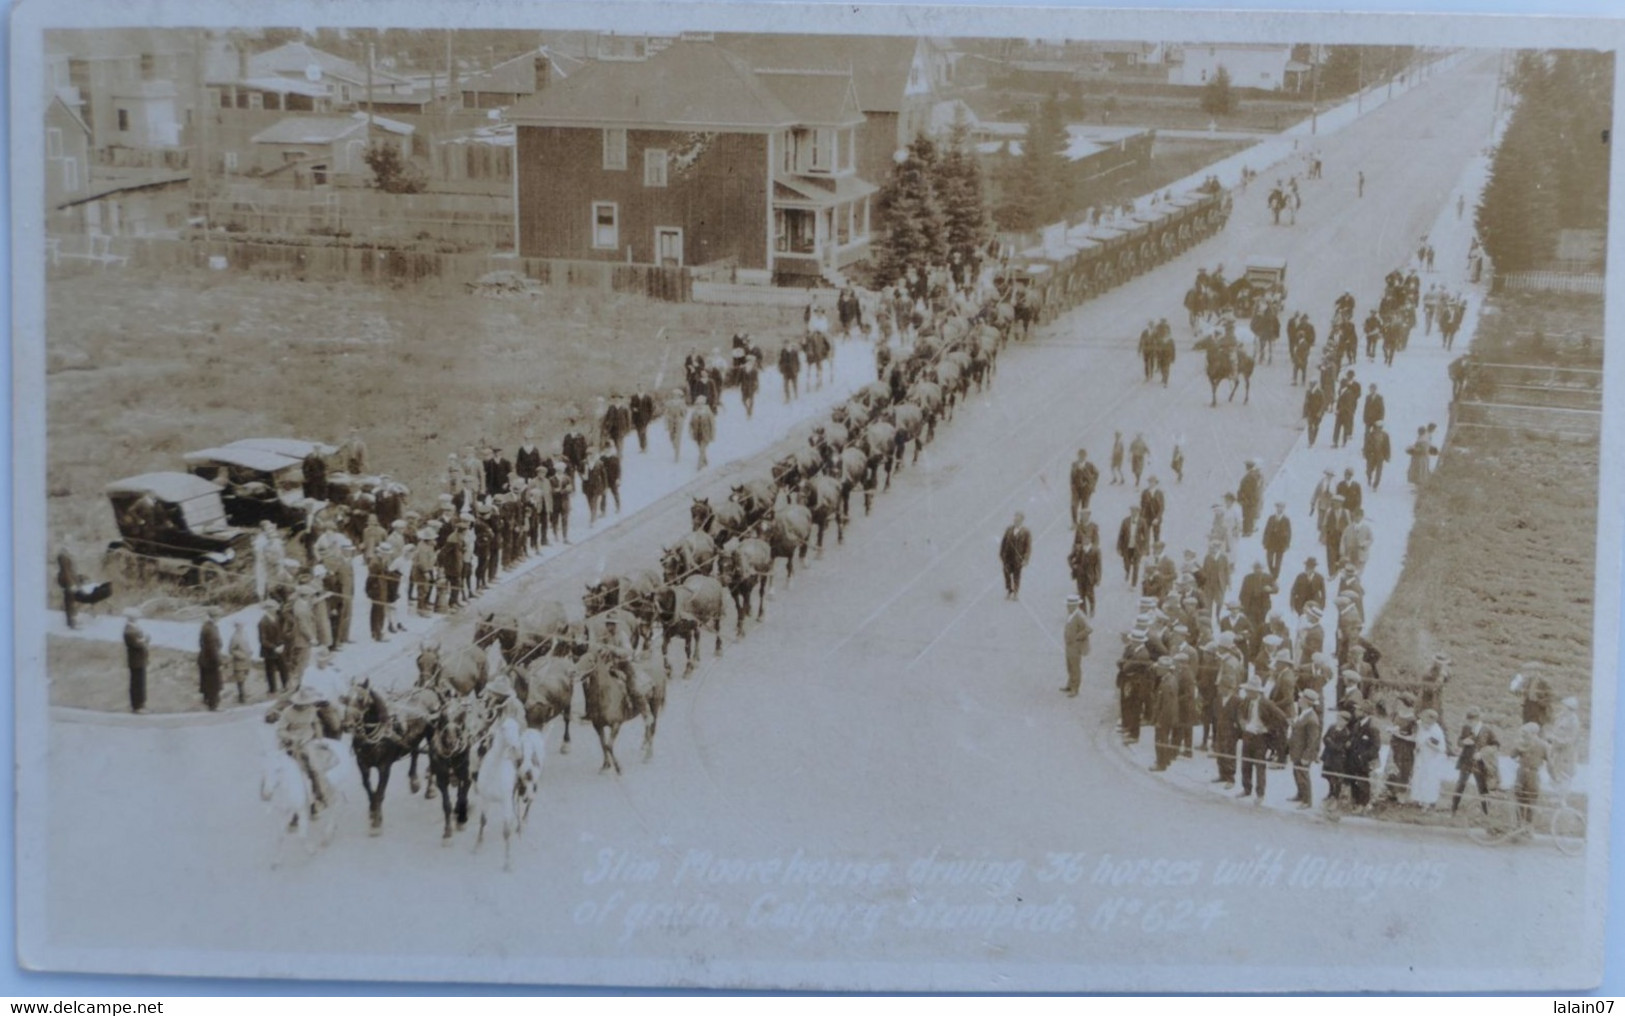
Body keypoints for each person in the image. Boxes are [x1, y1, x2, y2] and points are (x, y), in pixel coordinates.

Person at [1236, 678, 1281, 803]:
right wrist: (1243, 723)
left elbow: (1281, 718)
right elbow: (1240, 712)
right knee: (1245, 764)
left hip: (1260, 738)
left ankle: (1260, 794)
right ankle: (1246, 789)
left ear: (1256, 692)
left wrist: (1267, 728)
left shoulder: (1266, 703)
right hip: (1247, 735)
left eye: (1249, 691)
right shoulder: (1246, 701)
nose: (1246, 692)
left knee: (1259, 766)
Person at [1451, 707, 1499, 816]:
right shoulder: (1465, 728)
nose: (1469, 724)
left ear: (1477, 720)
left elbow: (1496, 745)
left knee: (1482, 787)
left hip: (1480, 763)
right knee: (1460, 785)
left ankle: (1486, 813)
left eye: (1472, 721)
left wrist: (1482, 754)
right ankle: (1453, 810)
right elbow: (1459, 741)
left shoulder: (1487, 730)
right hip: (1466, 761)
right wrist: (1463, 742)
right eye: (1468, 721)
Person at [1510, 722, 1550, 834]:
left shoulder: (1523, 742)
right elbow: (1550, 762)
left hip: (1521, 774)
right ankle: (1528, 828)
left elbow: (1512, 755)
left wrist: (1517, 743)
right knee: (1532, 801)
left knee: (1519, 799)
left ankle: (1519, 825)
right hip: (1533, 775)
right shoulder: (1543, 744)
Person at [1287, 689, 1323, 808]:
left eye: (1301, 698)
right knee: (1297, 774)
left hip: (1303, 753)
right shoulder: (1304, 713)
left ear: (1306, 702)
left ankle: (1307, 801)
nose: (1298, 700)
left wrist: (1306, 756)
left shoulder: (1312, 719)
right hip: (1297, 751)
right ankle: (1300, 794)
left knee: (1303, 776)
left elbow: (1313, 741)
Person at [1411, 708, 1448, 809]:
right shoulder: (1421, 726)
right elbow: (1418, 738)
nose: (1422, 722)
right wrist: (1417, 747)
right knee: (1419, 777)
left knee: (1429, 780)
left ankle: (1427, 802)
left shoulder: (1436, 731)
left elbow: (1441, 749)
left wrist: (1430, 744)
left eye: (1425, 721)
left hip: (1432, 760)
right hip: (1421, 757)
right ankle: (1418, 800)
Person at [1546, 697, 1582, 791]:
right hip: (1556, 749)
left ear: (1570, 708)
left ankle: (1561, 797)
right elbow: (1555, 728)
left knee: (1564, 774)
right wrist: (1551, 737)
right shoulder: (1561, 716)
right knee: (1553, 769)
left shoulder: (1574, 721)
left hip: (1566, 751)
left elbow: (1571, 739)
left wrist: (1555, 739)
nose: (1562, 707)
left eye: (1564, 706)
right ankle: (1554, 792)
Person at [1061, 596, 1092, 697]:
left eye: (1070, 605)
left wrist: (1077, 637)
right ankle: (1070, 684)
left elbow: (1089, 629)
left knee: (1075, 667)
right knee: (1069, 665)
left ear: (1075, 605)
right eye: (1068, 605)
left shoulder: (1079, 616)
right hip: (1069, 645)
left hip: (1075, 645)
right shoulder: (1071, 614)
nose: (1068, 607)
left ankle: (1075, 688)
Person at [999, 512, 1032, 600]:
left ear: (1021, 521)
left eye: (1018, 520)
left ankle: (1015, 592)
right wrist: (1001, 554)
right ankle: (1009, 590)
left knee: (1017, 575)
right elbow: (1003, 542)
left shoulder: (1025, 532)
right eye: (1015, 519)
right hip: (1008, 557)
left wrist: (1026, 559)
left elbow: (1028, 547)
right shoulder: (1009, 530)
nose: (1015, 521)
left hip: (1018, 558)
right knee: (1006, 572)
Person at [123, 607, 150, 714]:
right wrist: (145, 640)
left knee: (140, 682)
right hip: (136, 660)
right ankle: (137, 706)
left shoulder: (133, 627)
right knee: (136, 683)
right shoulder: (129, 630)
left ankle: (141, 704)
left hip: (139, 660)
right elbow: (136, 644)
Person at [1067, 535, 1102, 616]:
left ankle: (1092, 608)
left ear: (1090, 542)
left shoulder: (1096, 551)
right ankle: (1084, 612)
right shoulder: (1079, 549)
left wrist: (1098, 578)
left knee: (1090, 594)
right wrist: (1073, 566)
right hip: (1080, 576)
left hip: (1090, 577)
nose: (1084, 546)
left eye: (1086, 544)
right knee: (1081, 594)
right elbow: (1069, 558)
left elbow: (1098, 566)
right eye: (1083, 544)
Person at [1512, 661, 1553, 728]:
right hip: (1528, 705)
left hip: (1538, 707)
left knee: (1537, 725)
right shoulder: (1527, 682)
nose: (1528, 673)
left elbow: (1550, 696)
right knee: (1527, 722)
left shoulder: (1543, 682)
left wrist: (1542, 702)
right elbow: (1518, 692)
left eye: (1530, 671)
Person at [198, 607, 224, 712]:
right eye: (218, 616)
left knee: (208, 682)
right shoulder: (210, 629)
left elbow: (202, 643)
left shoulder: (207, 626)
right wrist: (218, 662)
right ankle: (213, 705)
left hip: (205, 659)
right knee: (214, 683)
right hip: (210, 660)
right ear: (214, 616)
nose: (219, 618)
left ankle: (208, 701)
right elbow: (212, 648)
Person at [1117, 505, 1150, 586]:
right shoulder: (1125, 521)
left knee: (1136, 565)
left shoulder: (1142, 521)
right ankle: (1127, 572)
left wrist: (1145, 548)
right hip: (1127, 546)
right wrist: (1118, 547)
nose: (1134, 513)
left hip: (1137, 547)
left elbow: (1146, 536)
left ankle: (1133, 584)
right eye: (1132, 511)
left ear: (1138, 512)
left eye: (1135, 511)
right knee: (1126, 563)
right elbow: (1121, 535)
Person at [1262, 501, 1292, 579]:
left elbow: (1289, 533)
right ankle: (1272, 572)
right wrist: (1264, 541)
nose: (1280, 509)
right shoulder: (1271, 518)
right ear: (1276, 508)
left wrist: (1287, 544)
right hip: (1271, 542)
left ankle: (1275, 577)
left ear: (1284, 508)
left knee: (1278, 563)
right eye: (1278, 507)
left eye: (1282, 507)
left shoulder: (1286, 520)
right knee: (1269, 560)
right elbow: (1266, 530)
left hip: (1280, 543)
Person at [1069, 449, 1098, 526]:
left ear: (1085, 456)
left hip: (1086, 489)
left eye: (1083, 456)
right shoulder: (1074, 464)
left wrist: (1093, 485)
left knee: (1085, 507)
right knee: (1074, 505)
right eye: (1080, 455)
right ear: (1078, 456)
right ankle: (1074, 522)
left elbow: (1096, 474)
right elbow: (1071, 476)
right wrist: (1072, 486)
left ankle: (1083, 523)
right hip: (1076, 489)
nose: (1081, 457)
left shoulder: (1090, 465)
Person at [1236, 459, 1265, 537]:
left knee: (1248, 517)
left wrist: (1244, 500)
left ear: (1248, 467)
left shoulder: (1250, 476)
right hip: (1248, 501)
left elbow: (1250, 491)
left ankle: (1247, 532)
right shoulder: (1252, 476)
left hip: (1248, 502)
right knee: (1247, 517)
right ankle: (1247, 532)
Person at [228, 619, 252, 705]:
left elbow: (247, 646)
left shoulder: (244, 635)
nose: (241, 627)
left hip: (246, 661)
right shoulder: (234, 637)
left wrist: (250, 651)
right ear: (236, 627)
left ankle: (245, 694)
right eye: (239, 626)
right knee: (240, 680)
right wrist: (240, 655)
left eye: (241, 626)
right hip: (239, 662)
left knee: (245, 678)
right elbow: (231, 650)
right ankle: (241, 697)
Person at [689, 396, 716, 471]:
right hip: (697, 434)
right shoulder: (694, 413)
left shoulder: (708, 412)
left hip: (706, 434)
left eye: (701, 403)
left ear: (704, 404)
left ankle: (699, 465)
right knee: (700, 449)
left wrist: (712, 435)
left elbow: (712, 425)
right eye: (698, 404)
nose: (699, 405)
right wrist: (690, 432)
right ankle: (705, 460)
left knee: (702, 449)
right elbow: (690, 423)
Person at [57, 547, 81, 630]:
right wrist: (71, 583)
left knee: (69, 601)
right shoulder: (64, 558)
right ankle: (72, 623)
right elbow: (66, 572)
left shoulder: (64, 557)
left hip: (67, 581)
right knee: (70, 602)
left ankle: (70, 622)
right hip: (68, 581)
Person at [629, 385, 656, 453]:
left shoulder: (648, 397)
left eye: (642, 387)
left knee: (643, 432)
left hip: (645, 418)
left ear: (644, 388)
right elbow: (631, 406)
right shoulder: (634, 397)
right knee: (639, 432)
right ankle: (641, 446)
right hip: (637, 418)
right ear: (637, 388)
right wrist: (633, 409)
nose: (640, 388)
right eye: (639, 387)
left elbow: (651, 408)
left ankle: (644, 447)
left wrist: (650, 417)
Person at [663, 388, 688, 463]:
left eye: (677, 395)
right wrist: (666, 423)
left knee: (678, 438)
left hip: (679, 421)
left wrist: (682, 411)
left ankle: (676, 455)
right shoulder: (669, 403)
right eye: (674, 395)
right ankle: (675, 446)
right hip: (671, 421)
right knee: (671, 437)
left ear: (680, 396)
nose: (675, 396)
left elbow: (685, 413)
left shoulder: (682, 403)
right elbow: (666, 413)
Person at [1140, 476, 1166, 544]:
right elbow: (1142, 506)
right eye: (1150, 482)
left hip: (1156, 517)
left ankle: (1156, 549)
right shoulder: (1145, 492)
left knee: (1156, 534)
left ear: (1156, 483)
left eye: (1153, 482)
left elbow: (1162, 507)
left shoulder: (1159, 493)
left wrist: (1157, 518)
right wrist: (1142, 517)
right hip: (1146, 517)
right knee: (1145, 534)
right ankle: (1146, 550)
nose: (1151, 484)